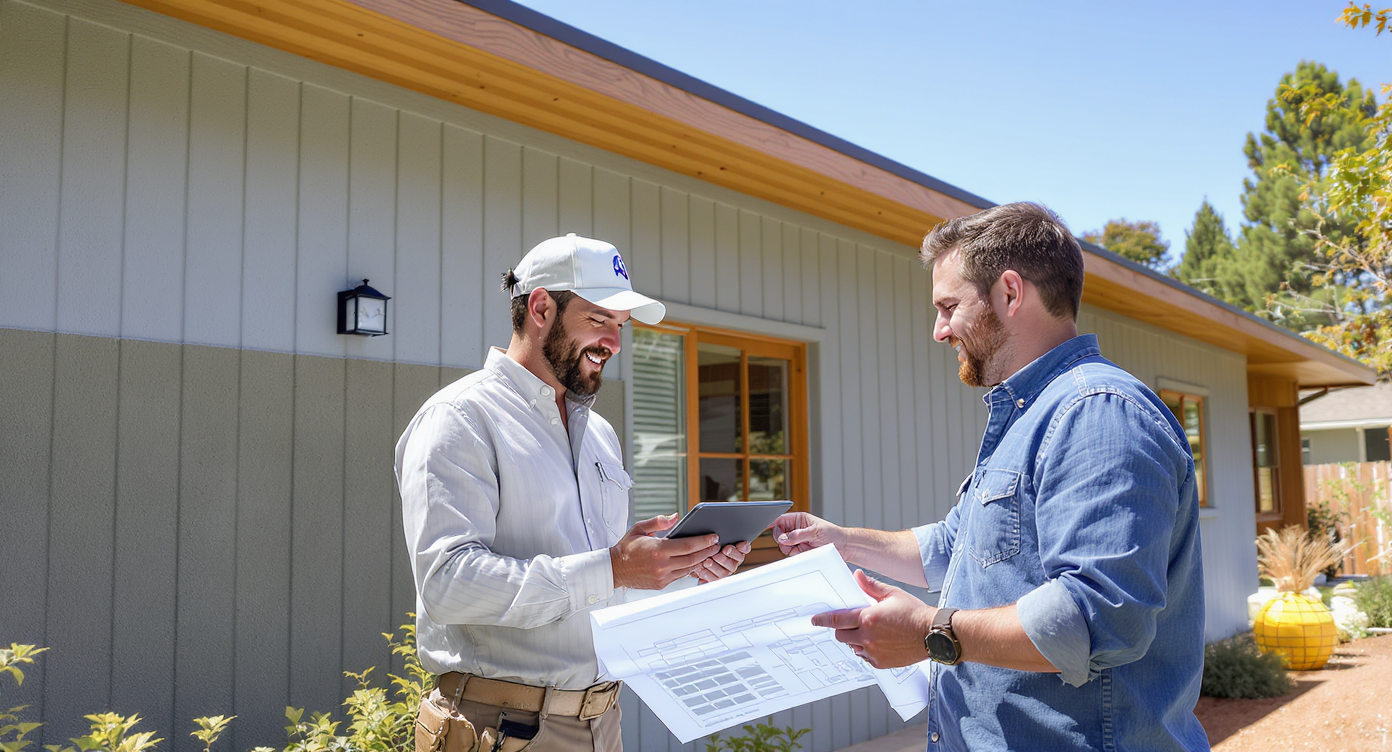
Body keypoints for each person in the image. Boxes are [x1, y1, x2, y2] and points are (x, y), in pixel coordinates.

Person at [773, 203, 1208, 751]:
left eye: (949, 306)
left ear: (1009, 292)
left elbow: (1098, 617)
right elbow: (956, 546)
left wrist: (931, 632)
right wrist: (841, 542)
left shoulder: (1097, 413)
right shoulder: (1032, 415)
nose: (939, 331)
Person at [396, 233, 750, 752]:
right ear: (541, 307)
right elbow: (447, 583)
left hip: (603, 723)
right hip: (503, 728)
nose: (614, 342)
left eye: (621, 326)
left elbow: (602, 589)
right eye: (599, 319)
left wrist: (681, 570)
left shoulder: (599, 434)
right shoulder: (460, 418)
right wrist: (614, 568)